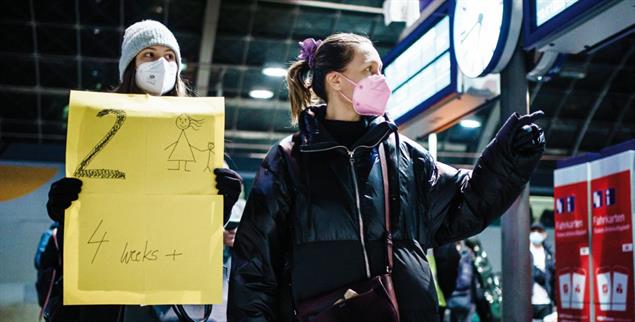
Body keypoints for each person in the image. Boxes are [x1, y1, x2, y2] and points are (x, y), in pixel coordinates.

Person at [227, 33, 545, 322]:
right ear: (336, 80)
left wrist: (509, 156)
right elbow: (255, 267)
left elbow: (465, 203)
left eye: (381, 70)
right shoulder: (287, 161)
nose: (381, 79)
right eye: (370, 70)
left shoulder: (403, 154)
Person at [36, 20, 243, 322]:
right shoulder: (98, 125)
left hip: (168, 296)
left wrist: (219, 206)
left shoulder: (200, 136)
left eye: (169, 56)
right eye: (149, 54)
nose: (161, 63)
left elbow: (198, 233)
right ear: (130, 64)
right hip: (104, 293)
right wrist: (64, 210)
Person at [530, 222, 555, 321]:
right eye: (533, 230)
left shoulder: (549, 253)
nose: (536, 233)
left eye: (539, 231)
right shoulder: (524, 250)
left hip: (545, 301)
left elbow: (553, 276)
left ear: (544, 234)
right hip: (530, 301)